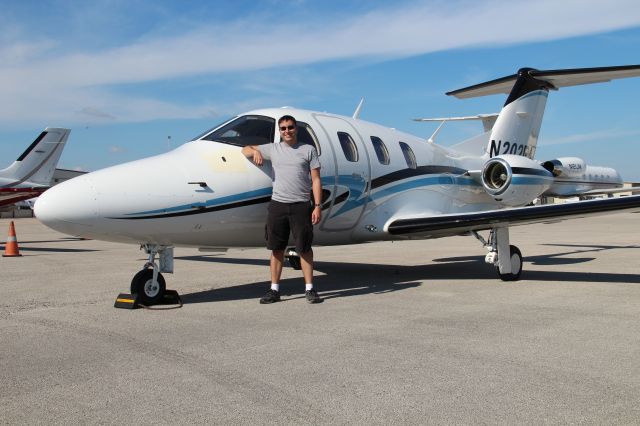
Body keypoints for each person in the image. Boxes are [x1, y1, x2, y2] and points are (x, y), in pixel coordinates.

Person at [242, 115, 323, 304]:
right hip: (278, 204)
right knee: (276, 249)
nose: (287, 131)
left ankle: (310, 289)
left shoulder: (308, 150)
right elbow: (243, 149)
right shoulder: (273, 149)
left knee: (304, 248)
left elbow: (316, 179)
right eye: (283, 128)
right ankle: (274, 290)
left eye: (290, 127)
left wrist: (317, 206)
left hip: (301, 205)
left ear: (296, 129)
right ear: (280, 131)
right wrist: (256, 151)